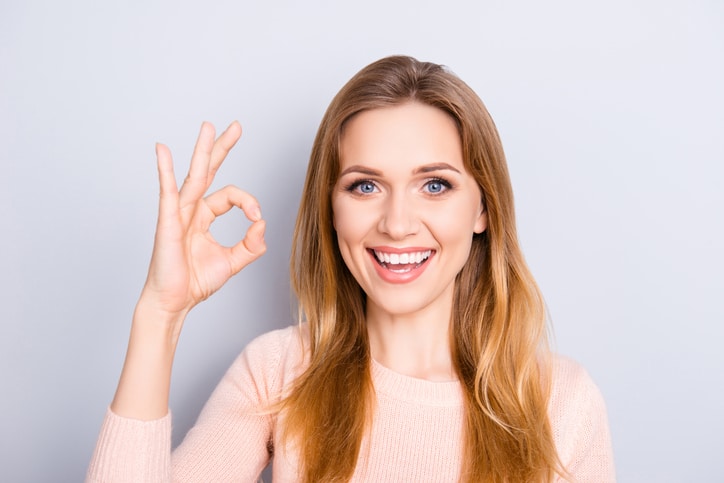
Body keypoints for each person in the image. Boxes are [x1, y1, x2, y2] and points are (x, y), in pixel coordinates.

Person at [86, 55, 615, 482]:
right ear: (332, 208)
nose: (397, 223)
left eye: (435, 185)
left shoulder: (558, 401)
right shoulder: (279, 372)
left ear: (482, 208)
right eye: (365, 185)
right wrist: (161, 314)